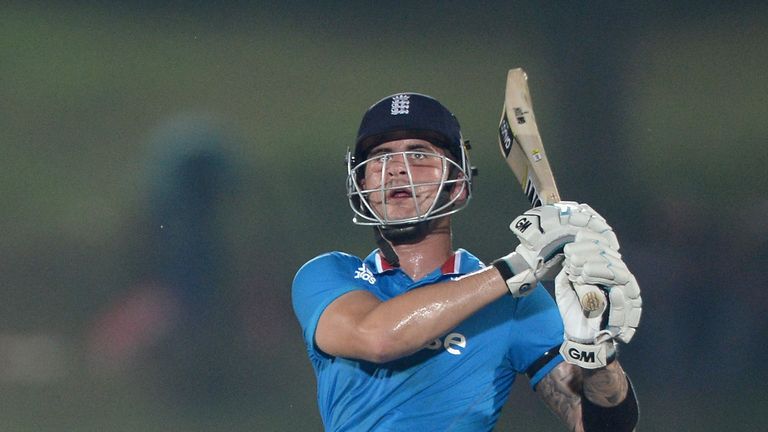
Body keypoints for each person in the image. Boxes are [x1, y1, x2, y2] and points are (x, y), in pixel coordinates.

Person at [292, 93, 642, 431]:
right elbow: (377, 338)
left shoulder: (516, 303)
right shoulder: (328, 275)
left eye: (418, 154)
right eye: (380, 157)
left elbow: (600, 426)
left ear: (457, 183)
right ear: (361, 183)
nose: (396, 169)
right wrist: (517, 267)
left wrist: (596, 356)